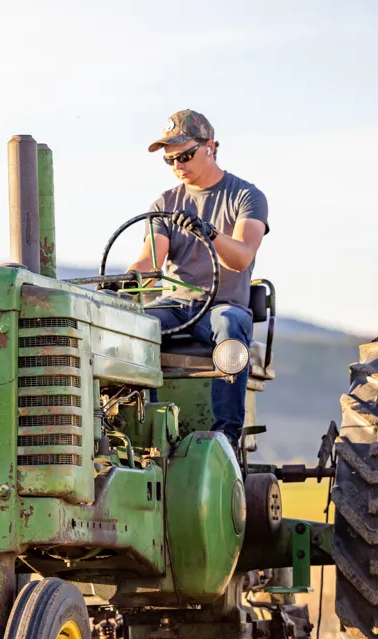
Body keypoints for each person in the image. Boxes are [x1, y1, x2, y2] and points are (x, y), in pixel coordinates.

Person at [125, 109, 269, 447]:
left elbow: (242, 257)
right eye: (170, 160)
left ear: (210, 147)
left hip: (221, 306)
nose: (178, 165)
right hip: (176, 306)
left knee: (231, 325)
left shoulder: (245, 197)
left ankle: (225, 435)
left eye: (185, 155)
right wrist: (129, 279)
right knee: (133, 326)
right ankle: (148, 429)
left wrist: (209, 233)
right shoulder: (166, 203)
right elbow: (151, 259)